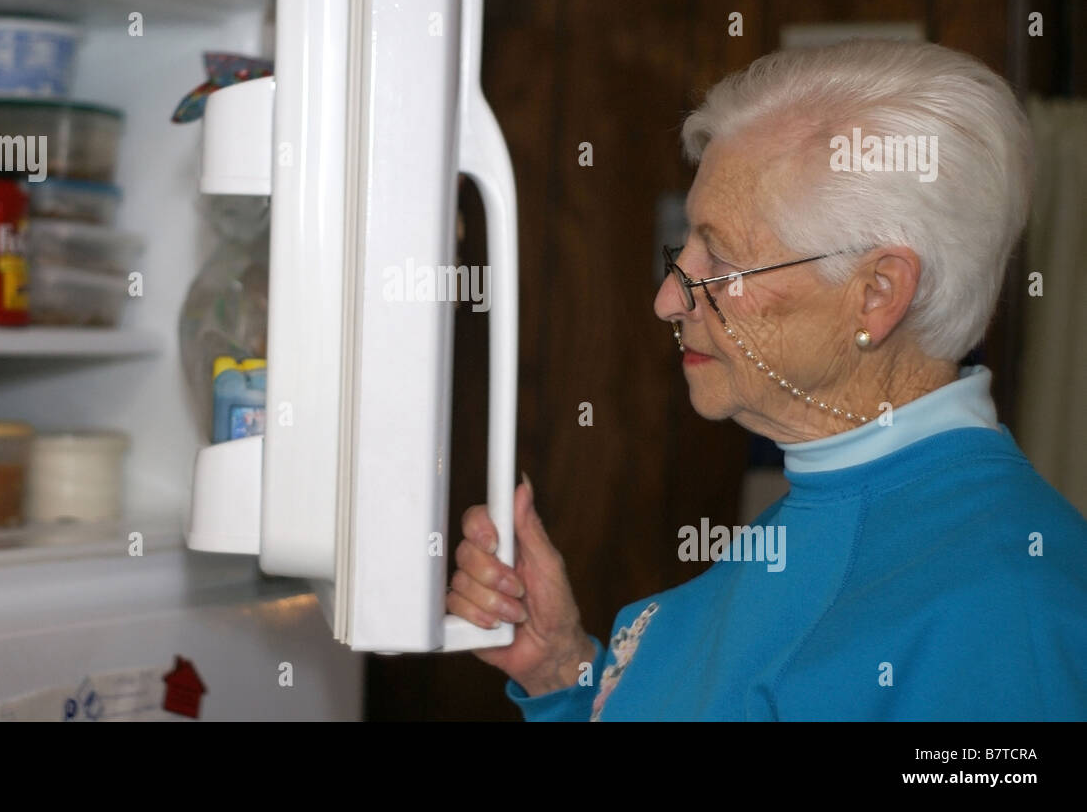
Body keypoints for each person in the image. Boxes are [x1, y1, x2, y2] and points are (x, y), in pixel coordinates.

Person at [448, 40, 1087, 720]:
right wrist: (562, 671)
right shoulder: (832, 514)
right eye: (683, 251)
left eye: (720, 262)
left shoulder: (1000, 610)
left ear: (877, 293)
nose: (669, 299)